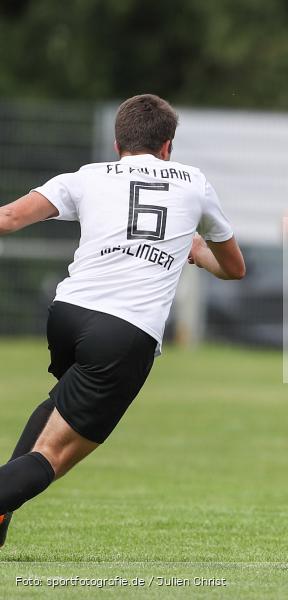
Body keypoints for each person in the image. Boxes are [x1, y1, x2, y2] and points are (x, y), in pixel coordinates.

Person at [0, 94, 245, 548]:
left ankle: (0, 517)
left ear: (118, 143)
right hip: (123, 333)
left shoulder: (88, 176)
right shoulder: (194, 182)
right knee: (55, 455)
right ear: (168, 146)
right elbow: (234, 268)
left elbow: (10, 218)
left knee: (61, 403)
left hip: (67, 315)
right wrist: (195, 251)